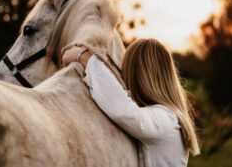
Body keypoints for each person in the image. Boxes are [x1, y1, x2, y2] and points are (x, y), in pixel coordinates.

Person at [62, 38, 200, 167]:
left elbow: (126, 112)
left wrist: (87, 58)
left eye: (125, 72)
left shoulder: (167, 121)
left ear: (138, 77)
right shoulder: (168, 118)